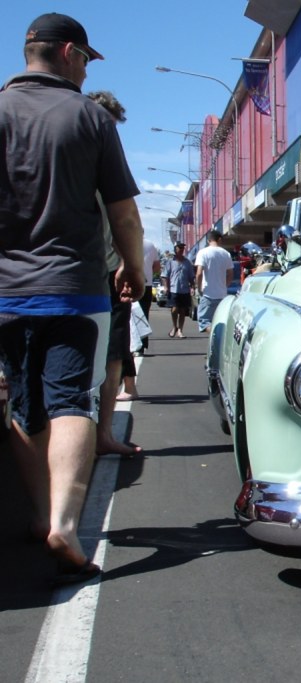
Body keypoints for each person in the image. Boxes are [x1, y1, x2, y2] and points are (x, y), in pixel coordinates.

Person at [0, 13, 146, 584]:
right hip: (72, 287)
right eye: (86, 59)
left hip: (7, 293)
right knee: (71, 402)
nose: (87, 70)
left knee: (23, 405)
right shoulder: (89, 117)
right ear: (67, 53)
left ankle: (41, 516)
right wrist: (133, 270)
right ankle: (66, 522)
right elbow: (124, 213)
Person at [86, 90, 143, 455]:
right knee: (101, 359)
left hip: (104, 271)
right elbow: (126, 217)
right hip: (94, 273)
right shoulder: (89, 157)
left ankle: (103, 433)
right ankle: (99, 434)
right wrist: (132, 267)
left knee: (110, 358)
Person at [194, 230, 234, 333]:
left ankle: (216, 334)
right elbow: (230, 274)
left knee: (204, 322)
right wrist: (224, 286)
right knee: (221, 321)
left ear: (208, 240)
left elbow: (199, 273)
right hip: (222, 295)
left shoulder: (203, 252)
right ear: (219, 239)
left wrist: (199, 288)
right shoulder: (226, 254)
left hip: (208, 294)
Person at [163, 242, 195, 338]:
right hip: (173, 289)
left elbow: (191, 277)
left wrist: (192, 287)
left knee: (182, 311)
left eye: (182, 248)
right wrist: (166, 287)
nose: (181, 249)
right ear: (175, 249)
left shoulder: (187, 262)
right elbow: (165, 276)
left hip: (184, 290)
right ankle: (174, 327)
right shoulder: (170, 262)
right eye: (179, 247)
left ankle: (180, 330)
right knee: (174, 309)